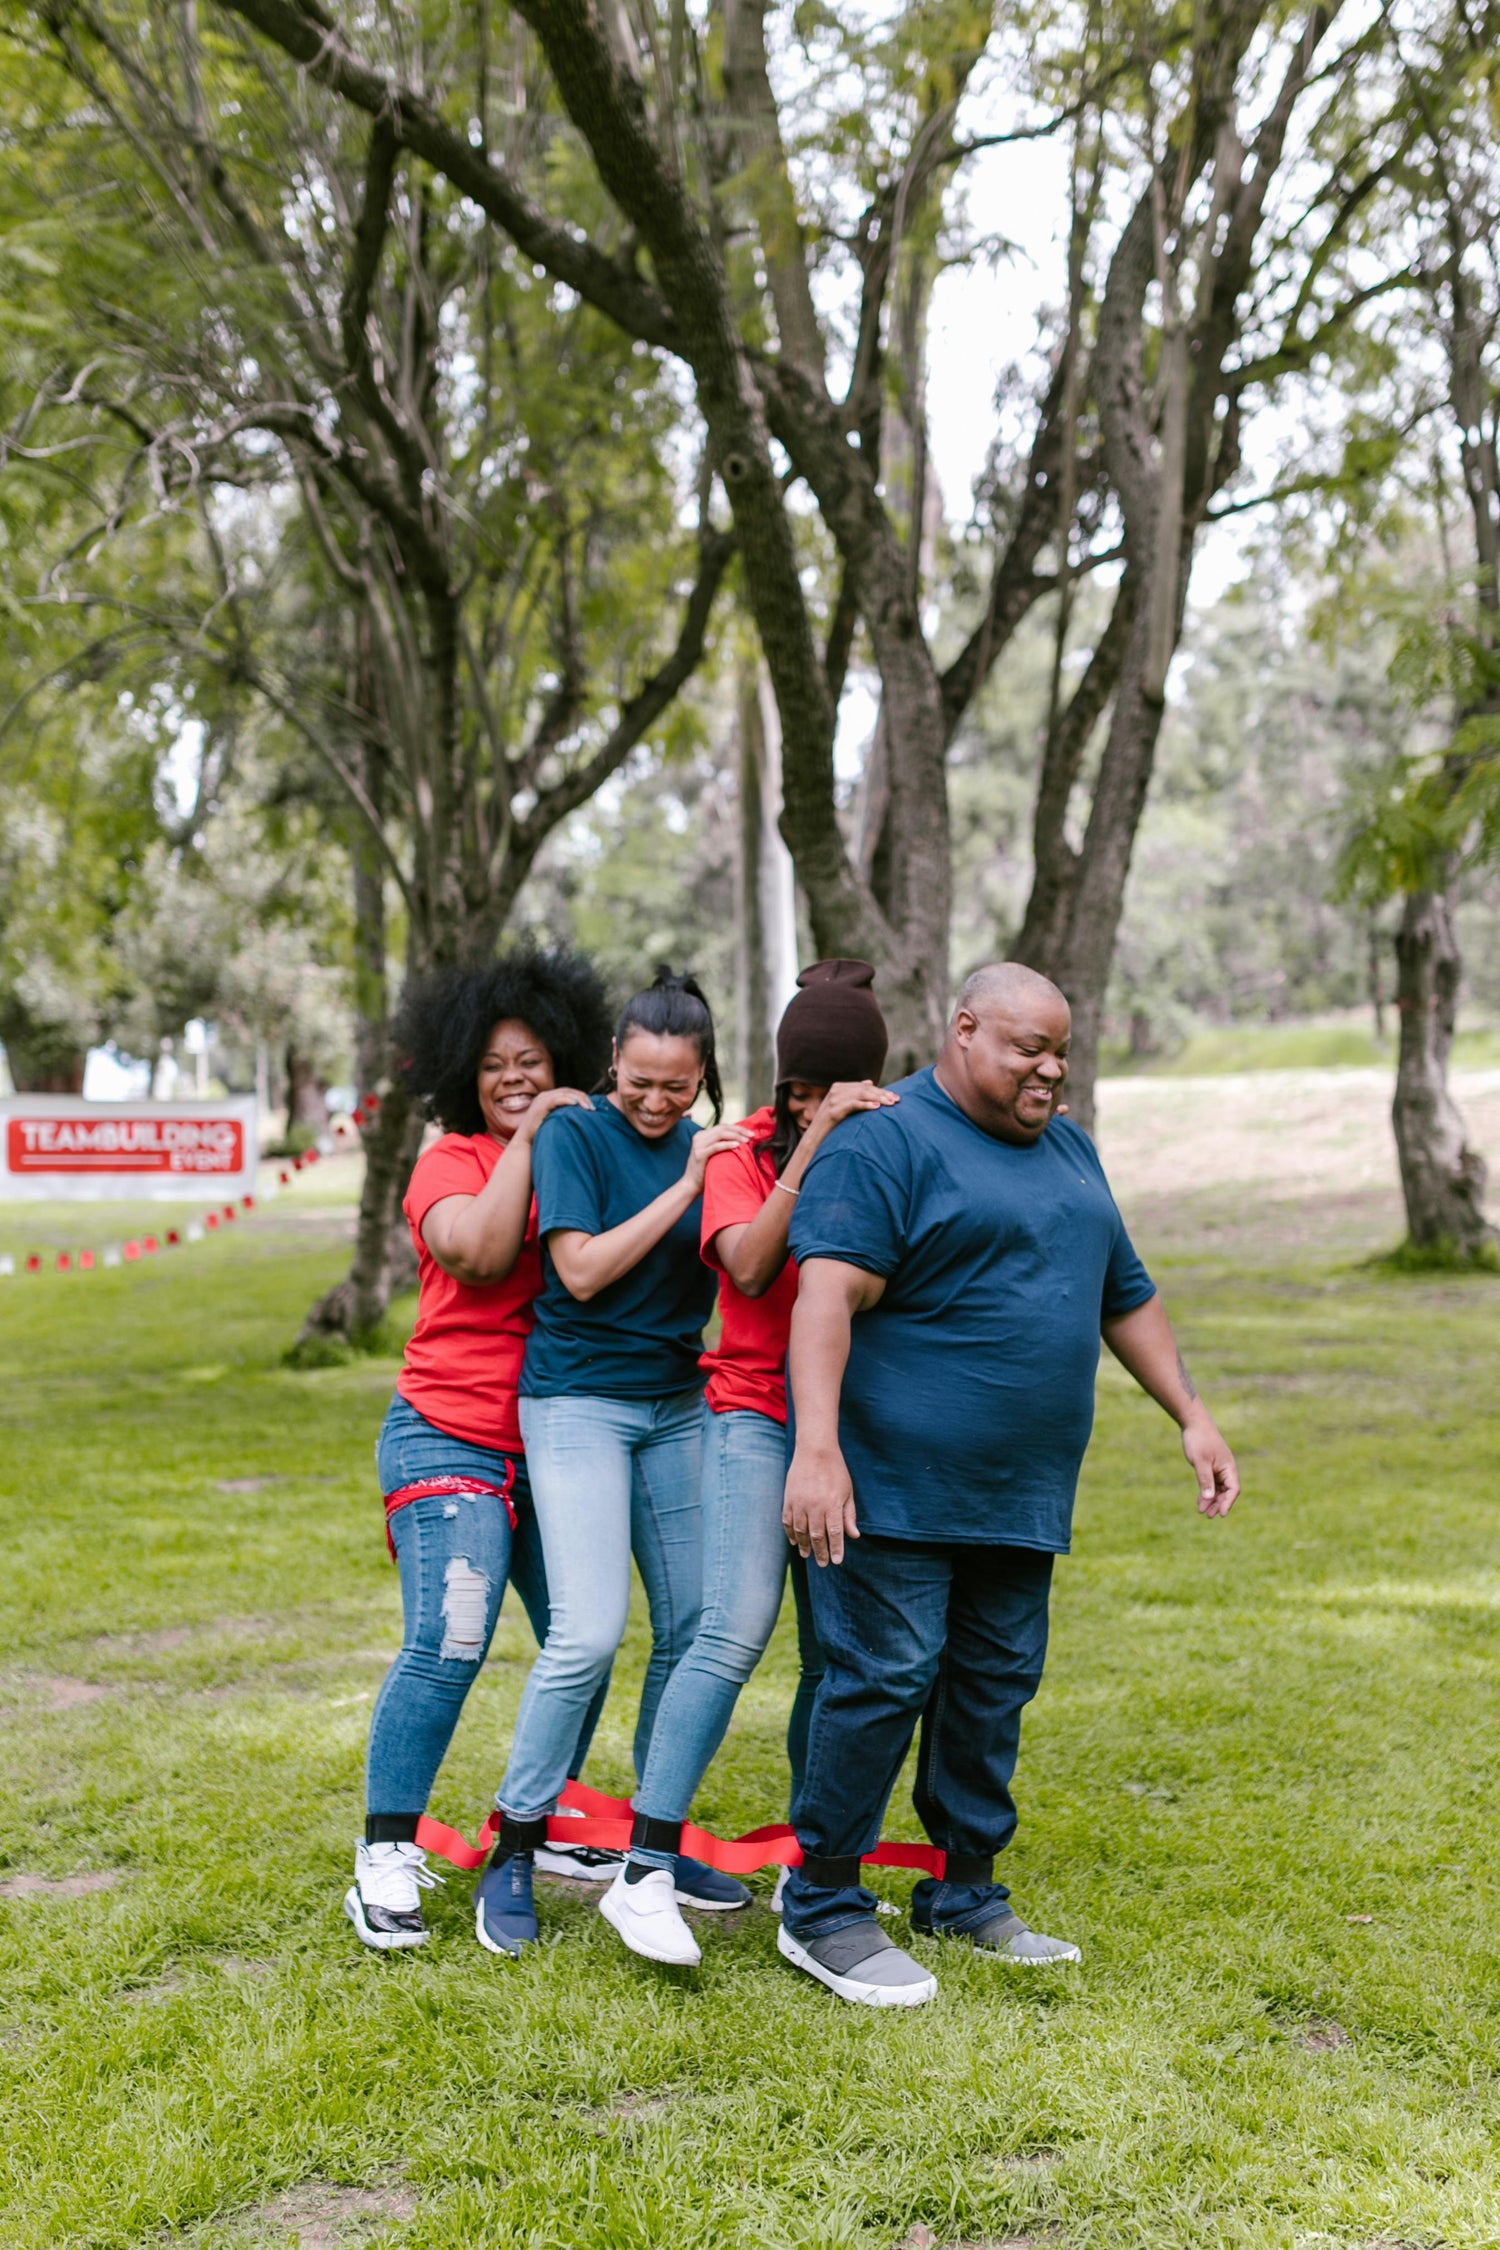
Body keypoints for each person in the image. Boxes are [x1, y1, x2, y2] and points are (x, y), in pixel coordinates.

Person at [775, 962, 1241, 2007]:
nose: (1051, 1068)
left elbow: (1127, 1293)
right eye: (1028, 1047)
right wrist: (816, 1450)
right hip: (888, 1485)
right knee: (882, 1679)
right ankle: (823, 1907)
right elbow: (824, 1296)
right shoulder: (888, 1138)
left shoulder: (1071, 1153)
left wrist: (1193, 1414)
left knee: (991, 1690)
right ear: (965, 1029)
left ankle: (965, 1893)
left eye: (1061, 1050)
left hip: (1019, 1494)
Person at [600, 960, 897, 1966]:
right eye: (805, 1090)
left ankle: (815, 1873)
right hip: (750, 1419)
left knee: (837, 1658)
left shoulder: (895, 1146)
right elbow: (751, 1265)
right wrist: (813, 1143)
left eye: (838, 1087)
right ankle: (642, 1873)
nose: (822, 1103)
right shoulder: (743, 1151)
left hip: (855, 1434)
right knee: (729, 1630)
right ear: (785, 1089)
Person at [472, 969, 752, 1956]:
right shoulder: (578, 1133)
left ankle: (653, 1847)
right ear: (614, 1064)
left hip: (676, 1408)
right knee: (588, 1633)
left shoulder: (710, 1150)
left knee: (694, 1629)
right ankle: (516, 1839)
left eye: (675, 1087)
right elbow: (581, 1270)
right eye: (638, 1079)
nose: (654, 1101)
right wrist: (684, 1180)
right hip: (577, 1405)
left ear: (703, 1075)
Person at [345, 947, 614, 1952]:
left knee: (584, 1643)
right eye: (497, 1063)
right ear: (467, 1070)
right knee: (452, 1639)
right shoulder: (450, 1161)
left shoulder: (591, 1154)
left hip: (559, 1442)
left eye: (535, 1061)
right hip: (447, 1434)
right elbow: (481, 1251)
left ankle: (531, 1827)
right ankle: (384, 1853)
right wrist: (538, 1132)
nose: (515, 1078)